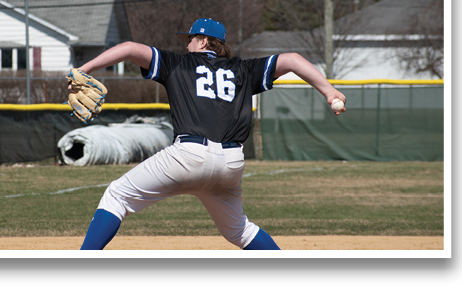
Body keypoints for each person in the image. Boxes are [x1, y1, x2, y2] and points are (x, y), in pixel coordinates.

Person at [71, 18, 346, 250]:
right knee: (239, 231)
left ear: (203, 42)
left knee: (117, 196)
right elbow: (293, 59)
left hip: (188, 155)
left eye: (190, 39)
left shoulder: (177, 63)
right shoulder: (243, 70)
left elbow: (130, 48)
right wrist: (329, 91)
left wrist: (84, 69)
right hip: (231, 162)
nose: (186, 44)